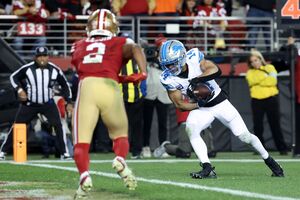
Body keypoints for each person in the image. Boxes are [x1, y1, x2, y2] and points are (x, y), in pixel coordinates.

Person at [158, 39, 284, 179]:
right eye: (166, 65)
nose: (169, 68)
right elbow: (179, 104)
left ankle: (270, 161)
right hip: (201, 107)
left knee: (245, 136)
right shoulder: (166, 78)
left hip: (220, 102)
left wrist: (197, 80)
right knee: (191, 128)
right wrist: (198, 104)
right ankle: (207, 167)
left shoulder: (193, 56)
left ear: (182, 57)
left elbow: (215, 69)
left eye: (172, 63)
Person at [70, 9, 147, 198]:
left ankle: (84, 176)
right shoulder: (120, 41)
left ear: (90, 27)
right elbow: (136, 48)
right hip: (110, 87)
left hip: (87, 87)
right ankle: (120, 159)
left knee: (81, 141)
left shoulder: (78, 45)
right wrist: (142, 73)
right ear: (113, 27)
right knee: (120, 135)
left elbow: (90, 69)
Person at [0, 46, 73, 161]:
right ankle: (3, 151)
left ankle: (65, 153)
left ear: (48, 57)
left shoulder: (55, 70)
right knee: (17, 126)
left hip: (48, 104)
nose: (42, 58)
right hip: (30, 104)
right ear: (35, 57)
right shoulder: (28, 68)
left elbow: (65, 85)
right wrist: (19, 90)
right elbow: (13, 77)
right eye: (39, 56)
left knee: (58, 126)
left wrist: (68, 101)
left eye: (44, 56)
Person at [245, 50, 289, 155]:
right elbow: (251, 81)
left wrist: (260, 80)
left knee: (275, 124)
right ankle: (259, 149)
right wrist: (265, 78)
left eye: (256, 60)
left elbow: (273, 81)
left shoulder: (270, 68)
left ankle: (282, 148)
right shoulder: (250, 72)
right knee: (258, 126)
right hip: (256, 100)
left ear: (261, 59)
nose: (254, 63)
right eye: (252, 61)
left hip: (271, 99)